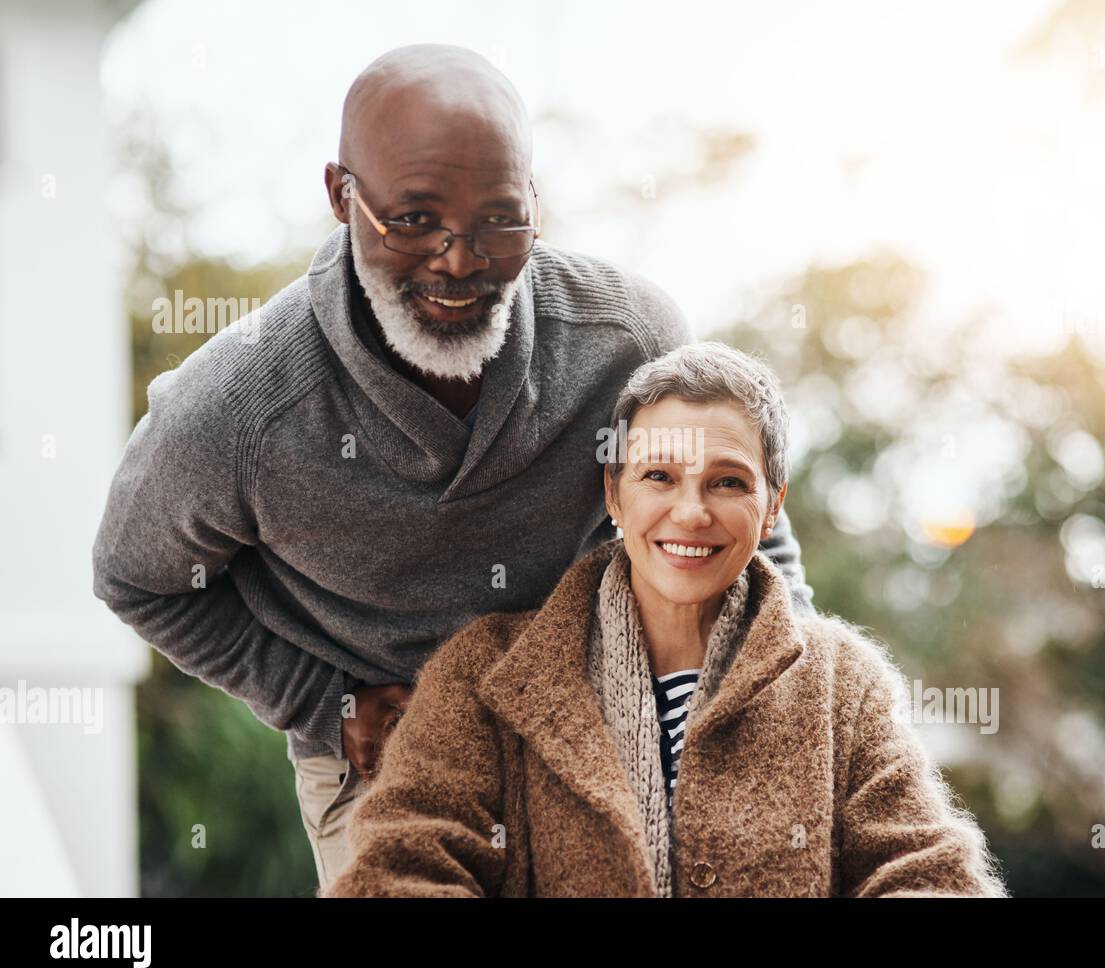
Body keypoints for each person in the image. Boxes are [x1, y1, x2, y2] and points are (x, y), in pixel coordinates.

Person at [90, 46, 816, 895]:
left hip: (604, 725)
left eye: (500, 221)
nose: (459, 261)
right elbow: (136, 578)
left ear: (537, 204)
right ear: (341, 197)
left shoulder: (629, 338)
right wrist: (325, 701)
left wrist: (796, 692)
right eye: (414, 220)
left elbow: (745, 518)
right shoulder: (236, 411)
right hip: (391, 761)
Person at [326, 342, 1007, 897]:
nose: (691, 512)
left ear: (772, 507)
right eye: (659, 477)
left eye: (728, 481)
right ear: (613, 493)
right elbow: (402, 869)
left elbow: (926, 873)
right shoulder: (483, 673)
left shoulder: (843, 682)